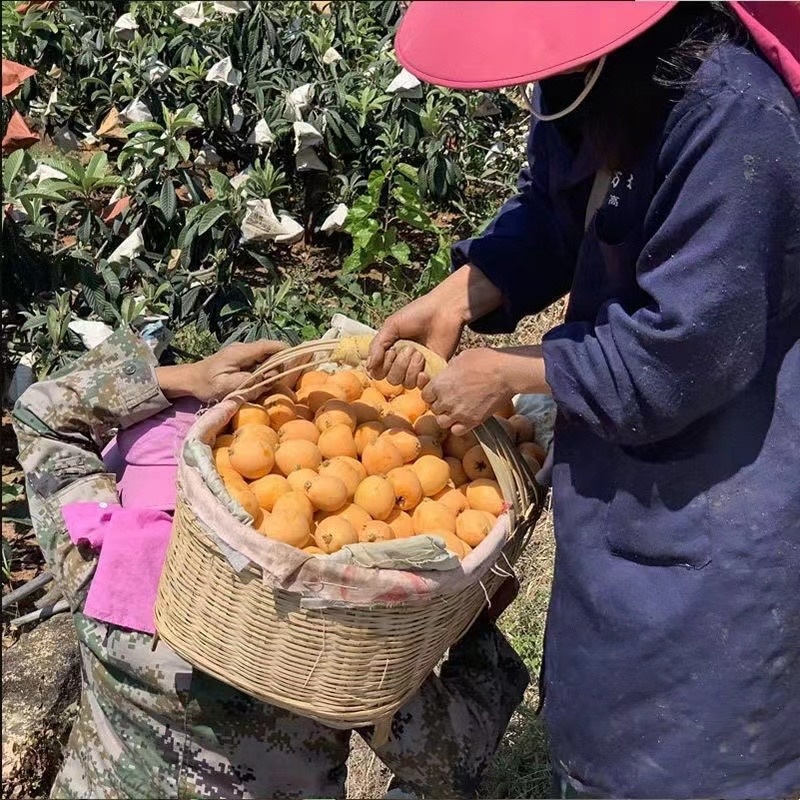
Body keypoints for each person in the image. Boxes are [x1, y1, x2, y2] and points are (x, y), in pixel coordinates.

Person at [368, 2, 800, 798]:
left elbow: (689, 349)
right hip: (622, 467)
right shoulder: (591, 79)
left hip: (727, 472)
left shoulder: (739, 123)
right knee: (609, 702)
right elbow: (562, 207)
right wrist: (465, 292)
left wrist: (516, 371)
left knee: (698, 741)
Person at [12, 326, 529, 799]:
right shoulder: (328, 634)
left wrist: (185, 376)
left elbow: (41, 413)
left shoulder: (98, 561)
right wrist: (475, 630)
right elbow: (452, 760)